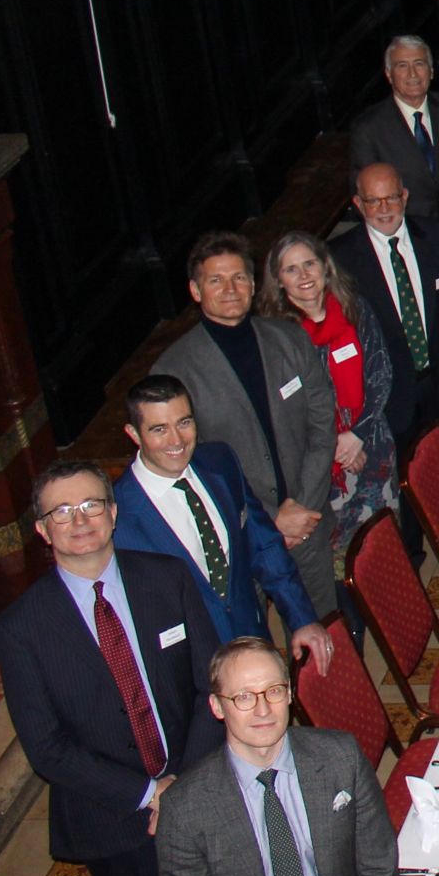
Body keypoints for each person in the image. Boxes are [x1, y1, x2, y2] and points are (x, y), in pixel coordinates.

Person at [0, 459, 226, 876]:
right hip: (116, 816)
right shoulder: (20, 628)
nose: (80, 520)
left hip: (200, 785)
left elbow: (211, 687)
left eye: (91, 505)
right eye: (62, 511)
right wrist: (151, 795)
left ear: (114, 513)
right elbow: (48, 749)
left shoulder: (166, 578)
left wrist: (182, 784)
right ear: (41, 529)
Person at [156, 638, 407, 876]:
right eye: (243, 696)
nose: (262, 709)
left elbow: (380, 873)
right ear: (216, 706)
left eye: (273, 691)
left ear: (290, 694)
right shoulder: (185, 809)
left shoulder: (340, 759)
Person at [154, 234, 342, 619]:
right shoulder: (174, 372)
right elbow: (190, 464)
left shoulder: (289, 338)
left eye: (239, 278)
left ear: (254, 285)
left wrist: (302, 505)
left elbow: (322, 421)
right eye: (215, 280)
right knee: (251, 650)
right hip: (240, 535)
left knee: (325, 636)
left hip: (307, 520)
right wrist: (271, 517)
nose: (229, 289)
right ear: (194, 289)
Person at [111, 376, 340, 662]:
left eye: (184, 422)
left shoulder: (220, 462)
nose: (177, 440)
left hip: (253, 641)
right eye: (159, 429)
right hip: (190, 669)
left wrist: (302, 617)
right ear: (134, 434)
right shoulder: (117, 517)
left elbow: (263, 544)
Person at [259, 230, 402, 631]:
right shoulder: (277, 337)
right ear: (279, 280)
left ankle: (393, 627)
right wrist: (336, 444)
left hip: (372, 451)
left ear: (325, 267)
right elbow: (291, 410)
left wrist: (357, 432)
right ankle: (352, 634)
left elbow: (380, 370)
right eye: (291, 269)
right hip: (326, 472)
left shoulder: (354, 308)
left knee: (383, 552)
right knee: (343, 567)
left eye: (309, 264)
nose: (303, 275)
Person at [330, 162, 439, 485]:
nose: (384, 209)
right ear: (358, 204)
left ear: (405, 196)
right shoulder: (339, 261)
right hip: (387, 400)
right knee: (405, 492)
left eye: (392, 198)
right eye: (373, 201)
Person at [345, 36, 439, 229]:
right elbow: (364, 194)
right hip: (409, 240)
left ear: (432, 71)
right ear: (388, 74)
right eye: (402, 66)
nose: (413, 74)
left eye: (419, 64)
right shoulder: (369, 128)